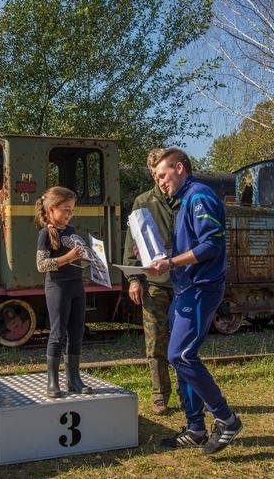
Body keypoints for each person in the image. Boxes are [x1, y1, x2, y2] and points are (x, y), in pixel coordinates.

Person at [148, 147, 242, 455]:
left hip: (201, 288)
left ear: (179, 168)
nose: (160, 182)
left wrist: (172, 263)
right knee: (180, 357)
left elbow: (210, 245)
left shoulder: (199, 196)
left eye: (162, 175)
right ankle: (195, 427)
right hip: (185, 288)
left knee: (181, 355)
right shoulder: (184, 199)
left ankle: (226, 419)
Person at [123, 148, 180, 416]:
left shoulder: (185, 199)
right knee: (155, 343)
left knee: (183, 344)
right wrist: (134, 278)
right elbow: (132, 243)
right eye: (155, 172)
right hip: (155, 284)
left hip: (184, 283)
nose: (159, 178)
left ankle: (187, 395)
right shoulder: (143, 202)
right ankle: (160, 396)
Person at [35, 186, 93, 398]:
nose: (69, 214)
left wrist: (90, 257)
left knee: (76, 332)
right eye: (65, 210)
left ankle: (74, 380)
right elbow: (41, 265)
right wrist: (67, 258)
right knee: (58, 333)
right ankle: (52, 381)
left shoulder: (71, 231)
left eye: (72, 210)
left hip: (77, 285)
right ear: (51, 210)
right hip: (57, 287)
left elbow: (79, 255)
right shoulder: (45, 234)